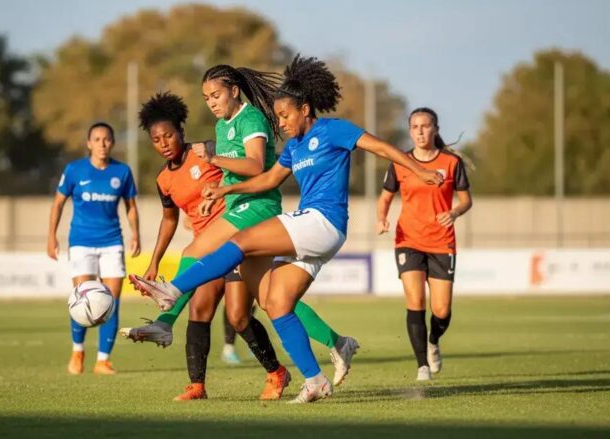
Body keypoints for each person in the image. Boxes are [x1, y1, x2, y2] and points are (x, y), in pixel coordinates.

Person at [131, 55, 443, 403]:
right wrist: (225, 189)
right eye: (277, 116)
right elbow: (267, 178)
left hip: (324, 221)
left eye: (285, 115)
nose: (280, 123)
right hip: (312, 228)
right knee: (276, 303)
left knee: (243, 240)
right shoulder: (293, 148)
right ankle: (315, 379)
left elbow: (381, 147)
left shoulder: (333, 130)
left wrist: (418, 169)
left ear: (305, 109)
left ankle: (173, 290)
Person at [123, 63, 360, 387]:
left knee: (196, 248)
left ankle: (165, 319)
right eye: (206, 98)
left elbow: (252, 165)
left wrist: (213, 159)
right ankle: (338, 343)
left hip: (258, 207)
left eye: (216, 95)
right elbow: (228, 174)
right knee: (271, 299)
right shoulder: (222, 128)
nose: (212, 102)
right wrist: (216, 193)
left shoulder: (252, 119)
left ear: (234, 91)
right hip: (238, 206)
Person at [124, 91, 289, 401]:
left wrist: (225, 195)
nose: (163, 143)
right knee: (200, 309)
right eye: (156, 140)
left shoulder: (208, 151)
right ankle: (196, 386)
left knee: (239, 316)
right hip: (205, 248)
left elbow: (240, 169)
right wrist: (155, 261)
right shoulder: (163, 181)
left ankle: (277, 371)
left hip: (236, 236)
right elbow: (169, 220)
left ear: (180, 131)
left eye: (168, 135)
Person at [377, 107, 473, 381]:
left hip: (442, 242)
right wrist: (381, 219)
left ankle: (433, 341)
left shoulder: (452, 163)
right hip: (408, 239)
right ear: (410, 131)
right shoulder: (401, 162)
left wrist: (454, 212)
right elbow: (385, 197)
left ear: (436, 129)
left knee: (441, 310)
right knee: (415, 299)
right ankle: (422, 366)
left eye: (425, 126)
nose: (420, 131)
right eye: (415, 127)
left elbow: (466, 200)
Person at [47, 122, 140, 375]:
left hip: (112, 242)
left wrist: (136, 235)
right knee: (82, 297)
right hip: (81, 242)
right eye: (97, 139)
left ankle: (103, 360)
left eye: (107, 139)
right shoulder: (75, 170)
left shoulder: (122, 172)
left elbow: (130, 206)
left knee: (111, 301)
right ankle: (78, 351)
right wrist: (51, 236)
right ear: (89, 143)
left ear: (112, 143)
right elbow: (58, 204)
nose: (102, 144)